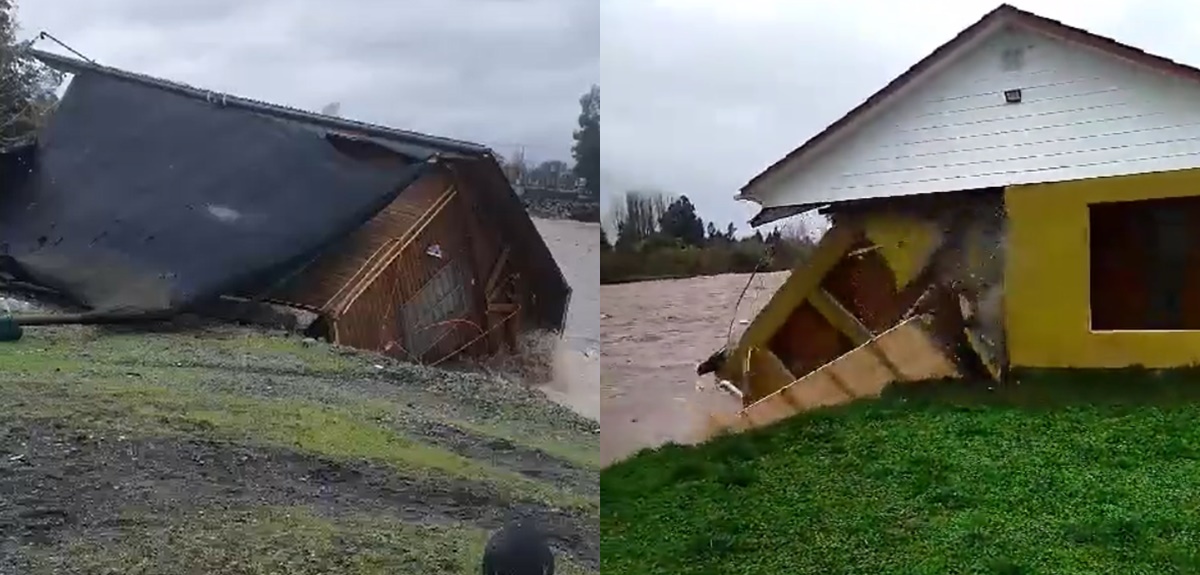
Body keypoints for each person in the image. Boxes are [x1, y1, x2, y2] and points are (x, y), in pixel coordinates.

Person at [481, 518, 555, 575]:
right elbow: (550, 561)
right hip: (527, 564)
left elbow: (487, 562)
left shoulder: (497, 540)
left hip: (504, 560)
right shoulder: (536, 541)